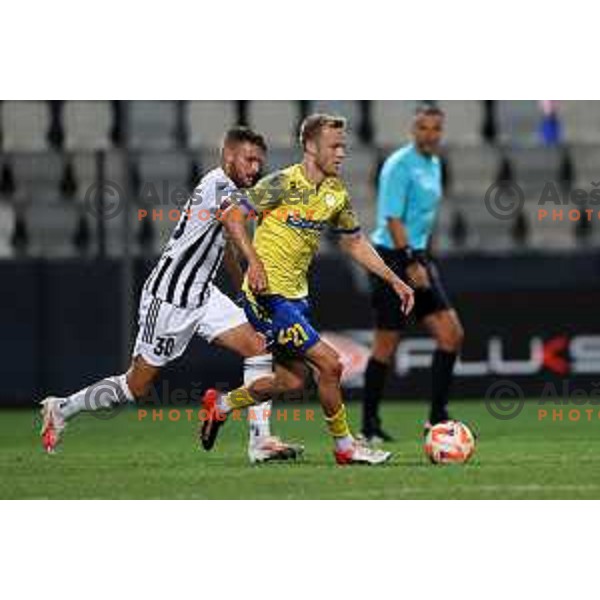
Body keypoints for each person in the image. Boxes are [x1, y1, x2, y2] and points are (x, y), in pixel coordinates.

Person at [40, 126, 303, 464]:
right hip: (169, 298)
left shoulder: (234, 192)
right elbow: (235, 224)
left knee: (257, 346)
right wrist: (257, 260)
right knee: (137, 385)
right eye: (249, 159)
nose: (254, 168)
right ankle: (62, 408)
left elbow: (225, 246)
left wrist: (241, 290)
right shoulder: (218, 185)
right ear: (228, 157)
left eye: (259, 162)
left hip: (203, 295)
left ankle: (261, 442)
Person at [200, 114, 415, 465]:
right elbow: (232, 217)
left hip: (296, 298)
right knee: (330, 365)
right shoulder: (282, 184)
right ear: (310, 147)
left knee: (292, 380)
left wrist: (394, 279)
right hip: (268, 296)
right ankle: (345, 447)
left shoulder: (335, 193)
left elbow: (355, 243)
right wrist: (252, 263)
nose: (342, 153)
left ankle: (221, 404)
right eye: (334, 145)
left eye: (343, 146)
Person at [362, 104, 464, 443]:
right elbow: (392, 218)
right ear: (413, 130)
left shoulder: (434, 164)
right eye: (423, 127)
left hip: (416, 255)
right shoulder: (398, 165)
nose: (430, 134)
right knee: (386, 344)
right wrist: (411, 261)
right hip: (392, 258)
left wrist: (419, 257)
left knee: (451, 334)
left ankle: (436, 418)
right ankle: (369, 425)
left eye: (436, 128)